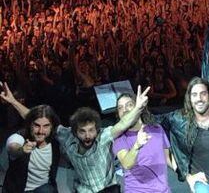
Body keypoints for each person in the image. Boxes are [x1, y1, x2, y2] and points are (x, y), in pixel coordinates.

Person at [1, 82, 150, 193]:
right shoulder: (66, 136)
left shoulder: (104, 135)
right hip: (83, 189)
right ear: (74, 131)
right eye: (82, 131)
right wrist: (14, 101)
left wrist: (137, 108)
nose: (87, 136)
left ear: (97, 129)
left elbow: (123, 123)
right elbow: (35, 118)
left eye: (91, 130)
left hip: (108, 188)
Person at [112, 93, 175, 193]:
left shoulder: (156, 128)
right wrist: (137, 145)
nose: (124, 110)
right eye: (120, 108)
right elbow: (126, 164)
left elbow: (167, 158)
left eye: (129, 105)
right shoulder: (120, 138)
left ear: (139, 107)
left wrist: (184, 172)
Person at [3, 104, 60, 193]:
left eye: (46, 126)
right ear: (30, 125)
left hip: (43, 189)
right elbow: (12, 148)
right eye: (36, 125)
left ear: (52, 126)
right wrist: (21, 150)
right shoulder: (20, 137)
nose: (41, 131)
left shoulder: (56, 143)